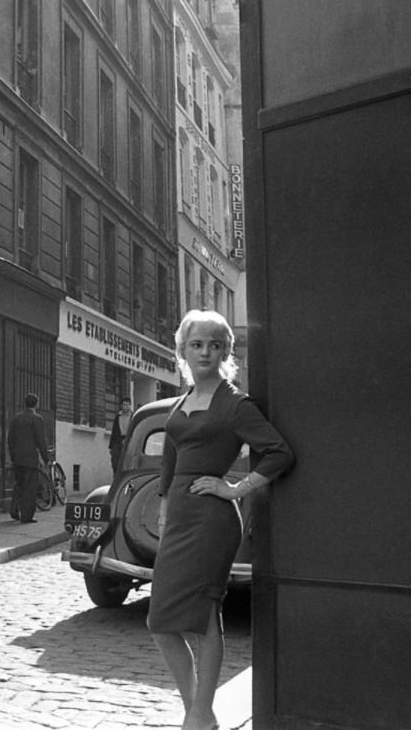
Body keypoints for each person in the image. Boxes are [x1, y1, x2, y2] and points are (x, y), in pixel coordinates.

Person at [148, 309, 293, 730]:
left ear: (226, 351)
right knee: (160, 621)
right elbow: (171, 455)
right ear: (183, 351)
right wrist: (163, 505)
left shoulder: (235, 403)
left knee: (205, 612)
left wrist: (233, 489)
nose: (205, 352)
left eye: (215, 345)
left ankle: (197, 716)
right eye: (197, 345)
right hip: (178, 518)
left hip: (212, 520)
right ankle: (201, 711)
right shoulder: (181, 402)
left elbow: (280, 452)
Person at [6, 393, 52, 524]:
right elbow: (41, 441)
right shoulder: (37, 419)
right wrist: (46, 458)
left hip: (18, 458)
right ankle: (27, 516)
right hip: (31, 458)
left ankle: (14, 510)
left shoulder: (16, 419)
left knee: (19, 485)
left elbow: (10, 439)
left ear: (25, 403)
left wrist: (13, 455)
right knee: (30, 487)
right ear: (36, 404)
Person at [109, 396, 132, 470]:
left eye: (127, 405)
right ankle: (116, 477)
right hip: (118, 440)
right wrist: (111, 446)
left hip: (128, 441)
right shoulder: (118, 416)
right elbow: (114, 431)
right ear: (121, 406)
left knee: (126, 461)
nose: (125, 407)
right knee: (115, 461)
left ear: (130, 405)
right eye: (124, 405)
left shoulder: (133, 416)